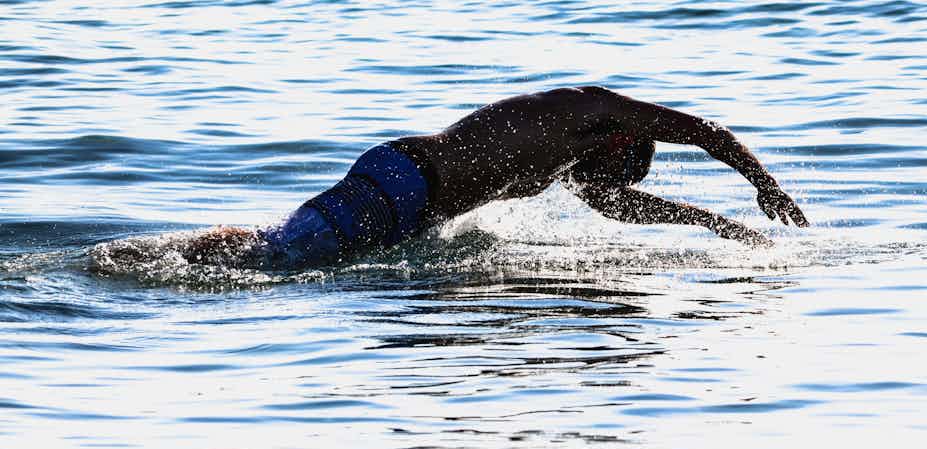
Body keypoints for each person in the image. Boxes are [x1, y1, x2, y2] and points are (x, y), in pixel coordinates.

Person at [185, 86, 808, 268]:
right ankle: (128, 261)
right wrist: (765, 184)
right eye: (617, 167)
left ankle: (173, 254)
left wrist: (716, 224)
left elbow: (618, 205)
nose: (599, 184)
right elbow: (706, 131)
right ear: (626, 141)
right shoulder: (596, 109)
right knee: (272, 262)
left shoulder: (577, 156)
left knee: (273, 252)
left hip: (407, 189)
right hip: (409, 181)